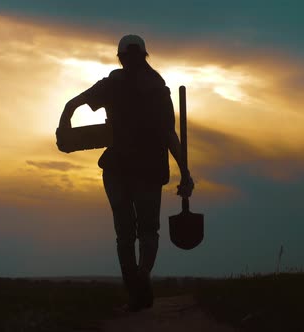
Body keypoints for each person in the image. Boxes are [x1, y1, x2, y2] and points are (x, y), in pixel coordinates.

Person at [58, 34, 194, 312]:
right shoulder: (156, 89)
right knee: (147, 231)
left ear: (121, 57)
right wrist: (184, 172)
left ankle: (136, 288)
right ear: (144, 56)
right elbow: (170, 135)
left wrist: (65, 124)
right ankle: (140, 280)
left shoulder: (115, 85)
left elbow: (72, 104)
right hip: (145, 169)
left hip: (121, 169)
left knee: (126, 234)